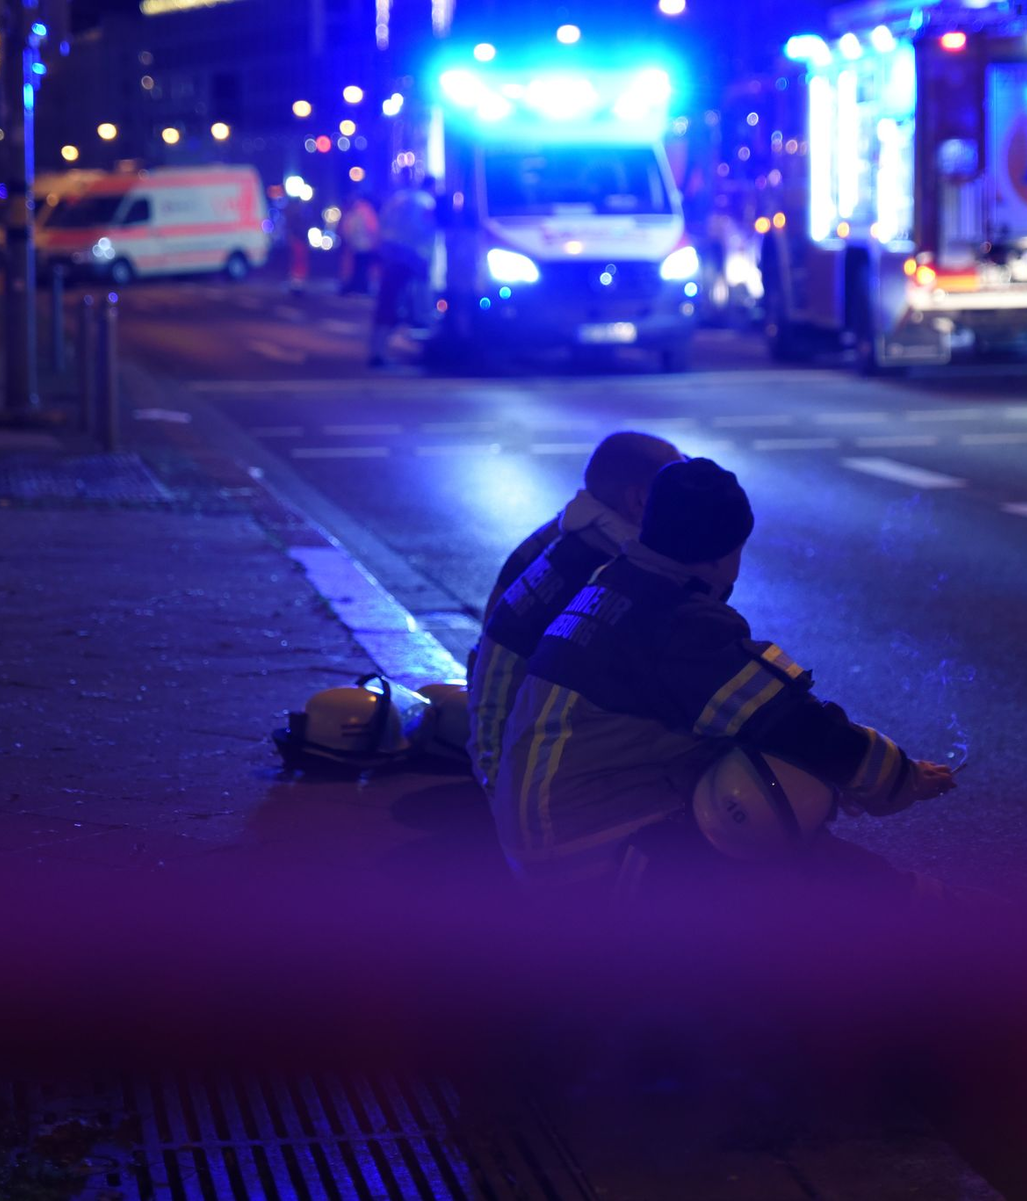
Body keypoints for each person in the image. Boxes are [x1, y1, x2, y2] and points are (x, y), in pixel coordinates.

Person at [492, 457, 956, 898]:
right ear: (721, 556)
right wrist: (898, 778)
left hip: (543, 835)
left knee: (736, 762)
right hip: (593, 855)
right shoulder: (675, 620)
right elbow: (791, 721)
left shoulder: (614, 581)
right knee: (763, 799)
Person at [468, 432, 683, 798]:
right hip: (521, 777)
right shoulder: (612, 566)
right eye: (673, 493)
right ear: (639, 499)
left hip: (495, 738)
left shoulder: (570, 531)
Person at [369, 173, 437, 367]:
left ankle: (377, 351)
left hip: (391, 253)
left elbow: (382, 224)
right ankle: (421, 348)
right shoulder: (425, 201)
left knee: (387, 301)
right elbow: (427, 231)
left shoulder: (396, 200)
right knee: (419, 303)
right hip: (412, 255)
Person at [336, 193, 380, 296]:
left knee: (358, 267)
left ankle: (358, 287)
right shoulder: (366, 212)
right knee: (362, 267)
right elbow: (373, 228)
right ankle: (361, 287)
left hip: (356, 244)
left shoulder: (354, 212)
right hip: (364, 244)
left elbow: (346, 228)